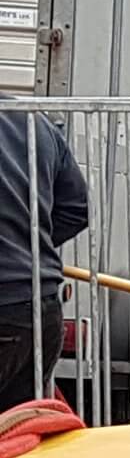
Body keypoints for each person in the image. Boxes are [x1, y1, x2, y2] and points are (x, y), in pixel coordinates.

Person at [0, 103, 89, 411]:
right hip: (42, 308)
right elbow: (77, 209)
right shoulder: (34, 119)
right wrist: (29, 247)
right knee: (20, 435)